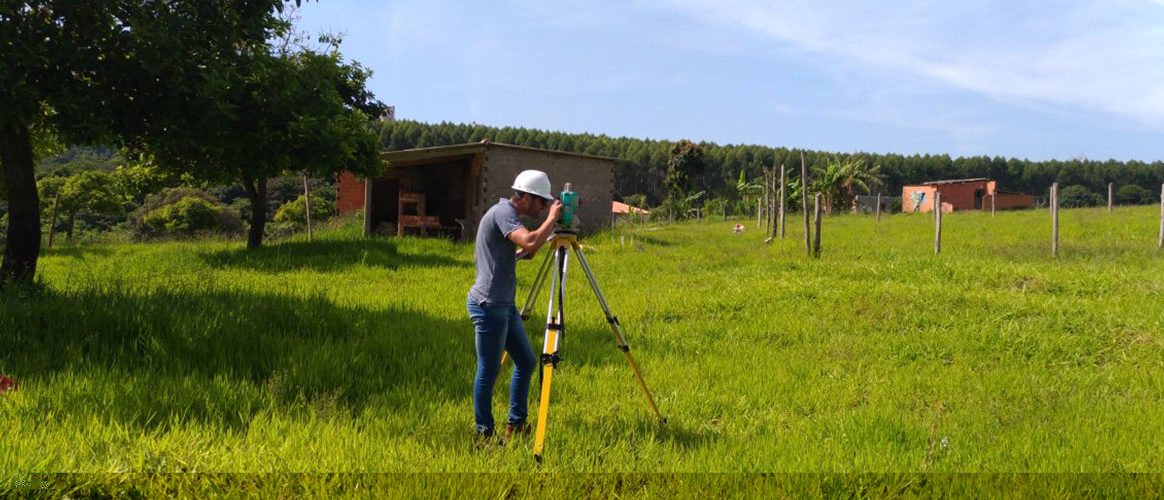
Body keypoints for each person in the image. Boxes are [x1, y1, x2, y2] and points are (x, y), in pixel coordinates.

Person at [466, 169, 563, 443]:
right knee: (489, 369)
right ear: (528, 197)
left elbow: (486, 253)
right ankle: (485, 433)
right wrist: (552, 221)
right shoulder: (504, 213)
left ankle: (516, 424)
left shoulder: (505, 215)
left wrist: (518, 254)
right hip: (488, 305)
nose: (544, 208)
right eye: (542, 202)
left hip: (503, 304)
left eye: (547, 205)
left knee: (526, 361)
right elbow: (531, 239)